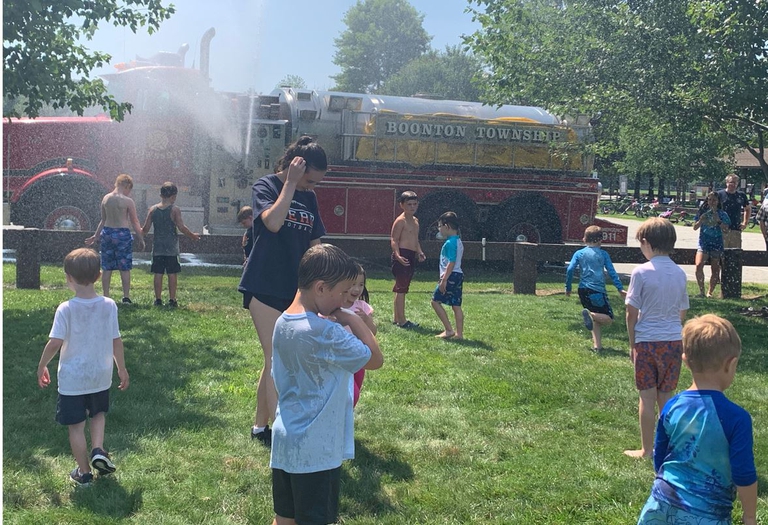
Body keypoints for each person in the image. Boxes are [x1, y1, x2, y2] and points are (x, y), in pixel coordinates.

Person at [270, 244, 383, 525]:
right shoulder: (326, 332)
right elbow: (375, 359)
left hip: (285, 440)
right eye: (342, 292)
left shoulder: (282, 322)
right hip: (317, 449)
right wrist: (353, 319)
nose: (346, 300)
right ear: (320, 288)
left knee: (284, 518)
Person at [238, 136, 328, 446]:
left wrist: (327, 281)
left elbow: (315, 245)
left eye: (316, 183)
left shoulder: (309, 198)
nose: (312, 187)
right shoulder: (266, 186)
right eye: (309, 180)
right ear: (295, 166)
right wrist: (289, 183)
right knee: (277, 359)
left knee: (274, 360)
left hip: (296, 289)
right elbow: (273, 223)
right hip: (263, 284)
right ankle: (283, 432)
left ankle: (260, 426)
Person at [636, 315, 757, 525]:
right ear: (731, 364)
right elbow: (743, 473)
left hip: (660, 504)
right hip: (707, 514)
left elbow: (660, 456)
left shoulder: (671, 406)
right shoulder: (737, 418)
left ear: (685, 361)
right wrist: (750, 516)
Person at [36, 248, 130, 486]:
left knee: (76, 427)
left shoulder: (66, 308)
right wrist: (122, 368)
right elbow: (116, 340)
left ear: (68, 277)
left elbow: (54, 343)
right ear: (99, 276)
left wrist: (42, 365)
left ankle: (84, 473)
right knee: (98, 415)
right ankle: (98, 449)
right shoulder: (109, 305)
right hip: (100, 375)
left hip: (73, 379)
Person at [624, 217, 689, 459]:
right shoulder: (680, 274)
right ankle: (668, 447)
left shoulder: (641, 272)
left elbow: (630, 313)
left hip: (647, 342)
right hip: (673, 341)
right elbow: (682, 311)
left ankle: (646, 449)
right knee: (666, 398)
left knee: (647, 397)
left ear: (646, 242)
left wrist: (632, 343)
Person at [565, 225, 626, 352]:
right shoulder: (603, 254)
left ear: (584, 239)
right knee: (608, 318)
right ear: (600, 240)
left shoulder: (579, 253)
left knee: (597, 319)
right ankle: (591, 315)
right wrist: (619, 288)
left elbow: (570, 269)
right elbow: (612, 272)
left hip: (582, 290)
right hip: (597, 291)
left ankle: (597, 346)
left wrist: (568, 287)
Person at [85, 174, 145, 303]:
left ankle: (106, 296)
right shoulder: (128, 201)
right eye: (129, 189)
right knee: (125, 267)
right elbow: (134, 221)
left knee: (107, 267)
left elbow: (103, 220)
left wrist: (96, 236)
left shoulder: (106, 198)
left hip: (107, 233)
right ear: (127, 186)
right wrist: (141, 238)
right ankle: (126, 297)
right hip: (122, 235)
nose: (129, 192)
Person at [141, 182, 201, 307]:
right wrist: (192, 236)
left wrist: (138, 231)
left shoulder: (152, 210)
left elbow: (145, 229)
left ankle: (158, 300)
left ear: (160, 195)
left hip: (157, 248)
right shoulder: (174, 210)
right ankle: (172, 299)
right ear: (174, 196)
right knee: (172, 273)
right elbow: (181, 227)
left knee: (158, 273)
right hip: (171, 248)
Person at [339, 262, 377, 407]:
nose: (357, 289)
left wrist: (366, 320)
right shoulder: (334, 306)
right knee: (350, 392)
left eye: (361, 284)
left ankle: (348, 413)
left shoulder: (362, 307)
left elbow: (373, 332)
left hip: (359, 356)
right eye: (352, 284)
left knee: (355, 392)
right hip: (341, 357)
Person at [390, 191, 426, 328]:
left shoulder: (416, 221)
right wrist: (397, 255)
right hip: (402, 254)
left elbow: (415, 240)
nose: (412, 207)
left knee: (401, 287)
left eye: (414, 204)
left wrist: (420, 252)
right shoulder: (400, 221)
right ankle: (402, 321)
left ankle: (396, 318)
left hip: (411, 254)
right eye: (409, 204)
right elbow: (394, 239)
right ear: (402, 205)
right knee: (401, 289)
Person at [431, 211, 465, 339]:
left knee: (435, 301)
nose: (439, 229)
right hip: (458, 275)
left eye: (440, 226)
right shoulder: (458, 241)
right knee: (456, 306)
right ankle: (459, 334)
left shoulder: (450, 243)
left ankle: (449, 330)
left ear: (447, 226)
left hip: (450, 275)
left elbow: (451, 262)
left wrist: (444, 279)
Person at [693, 192, 731, 298]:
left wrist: (718, 221)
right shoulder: (702, 212)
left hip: (716, 244)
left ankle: (710, 292)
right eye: (710, 200)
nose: (712, 202)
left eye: (714, 200)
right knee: (698, 265)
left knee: (715, 269)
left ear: (718, 201)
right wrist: (701, 220)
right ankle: (701, 291)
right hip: (703, 243)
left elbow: (726, 230)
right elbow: (695, 227)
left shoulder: (722, 214)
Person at [716, 173, 751, 250]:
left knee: (735, 252)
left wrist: (745, 222)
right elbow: (713, 210)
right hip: (721, 229)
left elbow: (747, 209)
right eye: (731, 182)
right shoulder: (719, 195)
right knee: (720, 252)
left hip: (736, 229)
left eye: (735, 182)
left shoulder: (741, 195)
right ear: (726, 183)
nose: (733, 184)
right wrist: (719, 222)